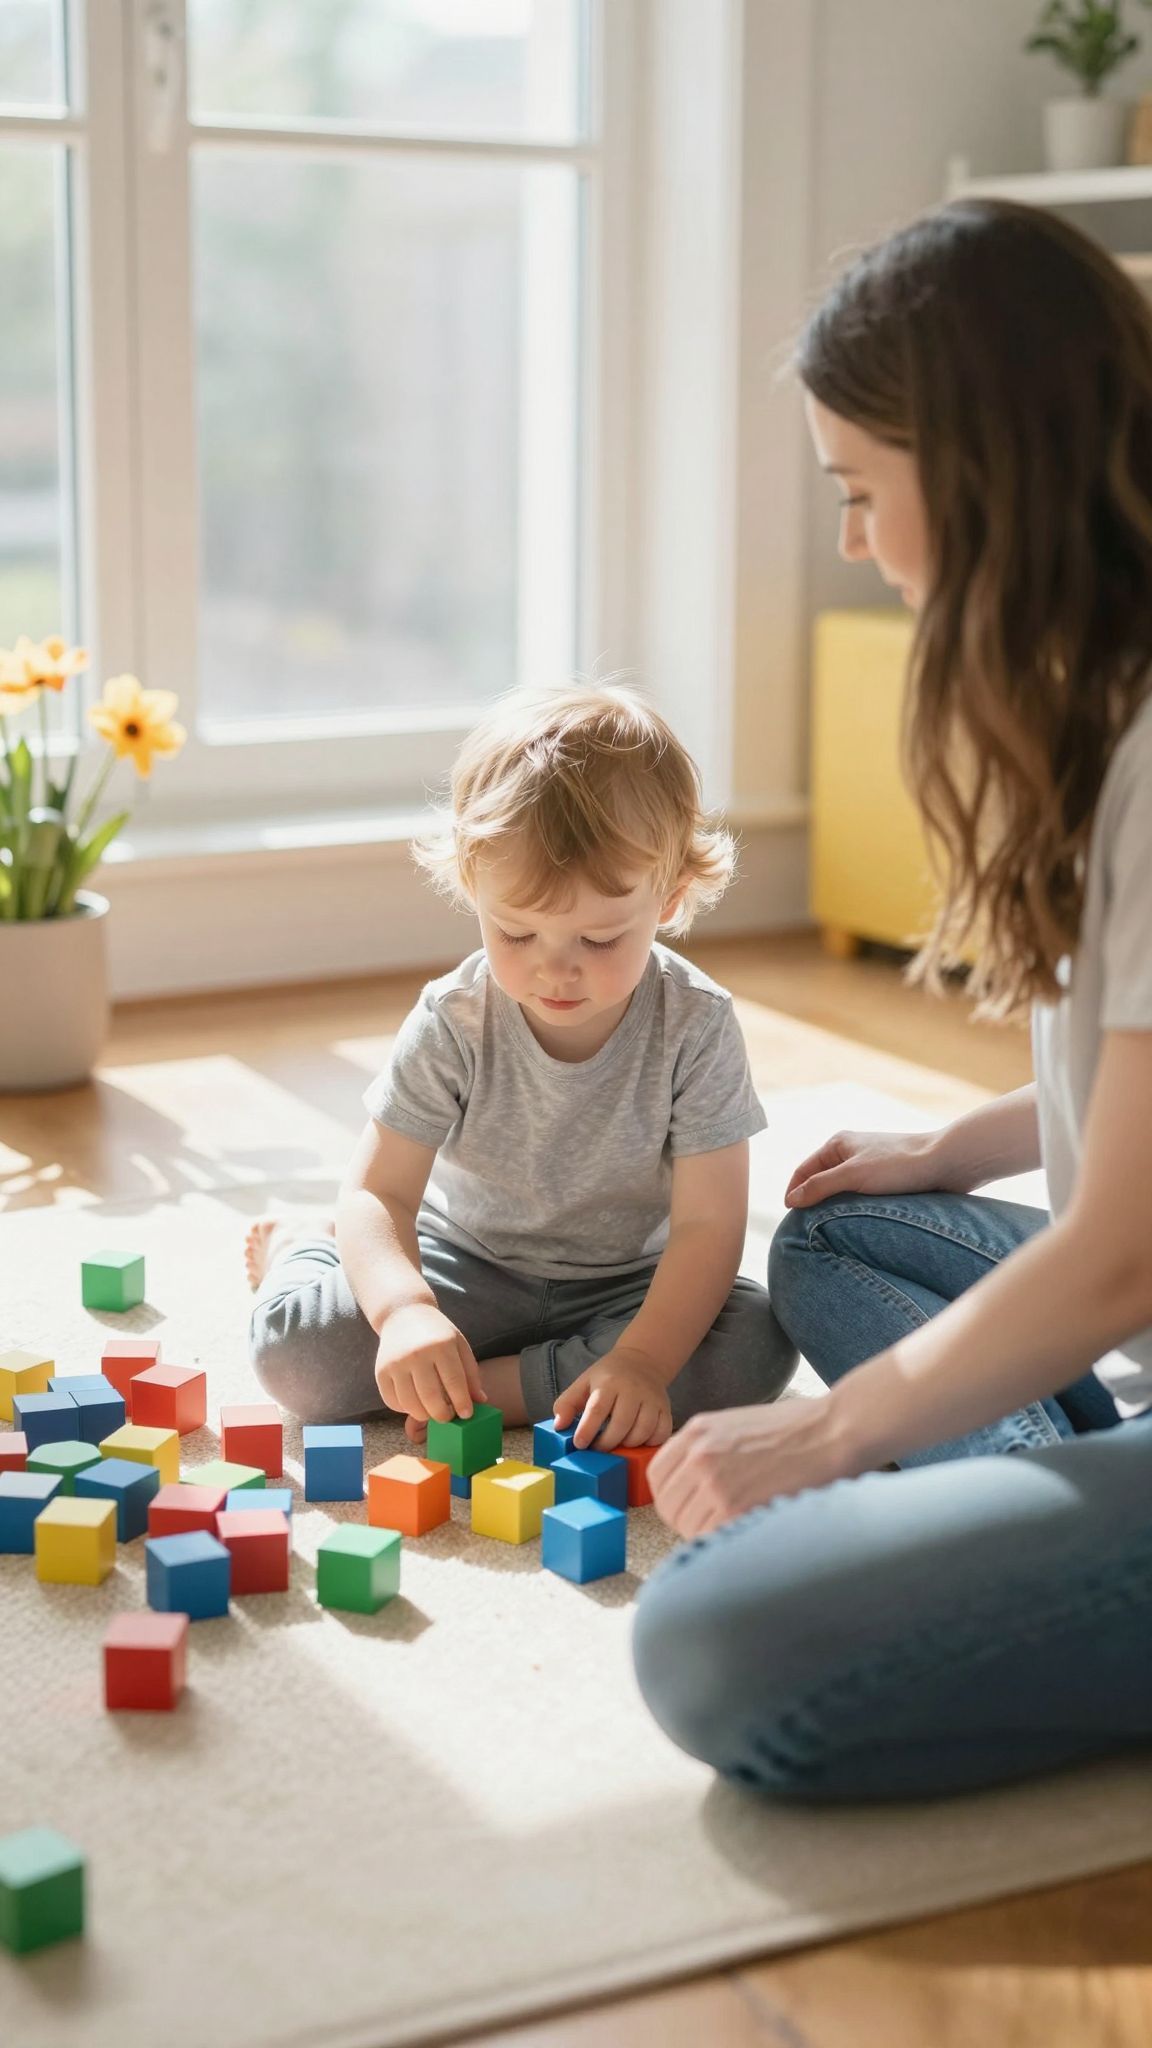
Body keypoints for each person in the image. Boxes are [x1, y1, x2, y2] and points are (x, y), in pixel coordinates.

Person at [632, 200, 1152, 1803]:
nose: (854, 542)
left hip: (1131, 1284)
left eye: (860, 490)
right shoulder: (1107, 705)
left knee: (713, 1641)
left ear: (984, 468)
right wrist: (952, 1148)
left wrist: (832, 1434)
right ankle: (1046, 1520)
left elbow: (1122, 1251)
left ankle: (1036, 1535)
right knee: (840, 1233)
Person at [246, 682, 795, 1448]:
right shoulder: (456, 1018)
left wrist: (641, 1360)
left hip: (626, 1286)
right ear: (474, 888)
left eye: (599, 940)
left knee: (757, 1342)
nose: (554, 969)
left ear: (669, 900)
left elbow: (709, 1223)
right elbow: (377, 1190)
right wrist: (405, 1312)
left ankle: (494, 1387)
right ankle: (306, 1248)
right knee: (294, 1359)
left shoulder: (697, 1024)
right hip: (466, 1266)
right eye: (515, 933)